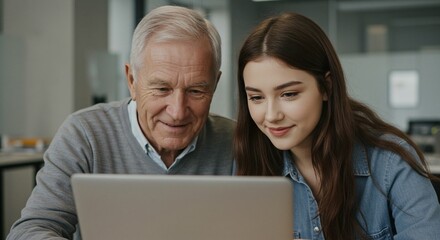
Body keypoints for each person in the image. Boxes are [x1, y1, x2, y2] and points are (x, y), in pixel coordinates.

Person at [7, 5, 235, 240]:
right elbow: (30, 231)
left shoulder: (237, 141)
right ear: (131, 80)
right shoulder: (85, 134)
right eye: (161, 89)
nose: (177, 112)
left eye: (196, 90)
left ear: (215, 84)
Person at [234, 12, 440, 240]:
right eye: (256, 97)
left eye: (289, 94)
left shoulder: (391, 163)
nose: (271, 115)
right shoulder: (248, 167)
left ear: (326, 87)